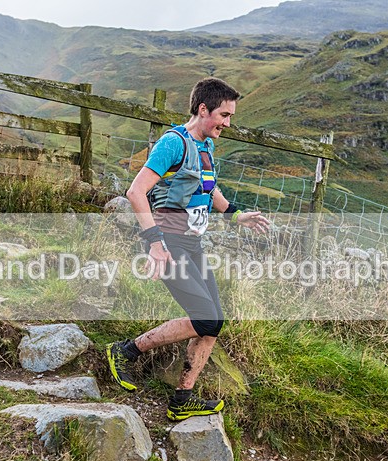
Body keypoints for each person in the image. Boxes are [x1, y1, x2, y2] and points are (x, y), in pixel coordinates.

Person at [106, 77, 270, 421]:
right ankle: (124, 352)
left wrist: (236, 214)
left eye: (230, 117)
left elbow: (209, 190)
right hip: (168, 244)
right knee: (206, 318)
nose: (227, 123)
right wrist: (155, 244)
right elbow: (136, 192)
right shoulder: (173, 143)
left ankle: (183, 399)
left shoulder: (207, 146)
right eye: (223, 115)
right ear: (203, 109)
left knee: (214, 322)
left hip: (192, 245)